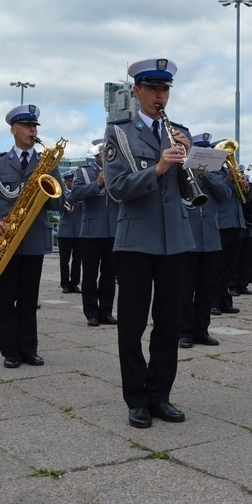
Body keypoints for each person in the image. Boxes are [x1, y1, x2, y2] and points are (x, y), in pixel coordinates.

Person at [103, 58, 194, 428]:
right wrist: (157, 168)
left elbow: (189, 190)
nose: (161, 95)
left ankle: (161, 395)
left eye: (166, 89)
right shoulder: (119, 133)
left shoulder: (179, 131)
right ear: (137, 91)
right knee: (133, 322)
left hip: (175, 239)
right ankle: (136, 398)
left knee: (170, 323)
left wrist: (193, 164)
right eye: (154, 89)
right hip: (137, 239)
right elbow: (117, 187)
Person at [0, 105, 63, 368]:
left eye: (34, 126)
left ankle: (28, 349)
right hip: (3, 240)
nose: (32, 130)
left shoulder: (46, 161)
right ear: (13, 129)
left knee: (28, 300)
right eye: (26, 126)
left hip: (34, 239)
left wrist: (46, 188)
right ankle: (9, 351)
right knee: (4, 299)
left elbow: (59, 202)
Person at [179, 133, 230, 348]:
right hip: (187, 238)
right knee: (185, 289)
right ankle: (185, 332)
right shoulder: (181, 170)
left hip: (210, 239)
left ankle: (202, 330)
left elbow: (225, 195)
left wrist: (206, 174)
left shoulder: (216, 173)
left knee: (206, 289)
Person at [72, 139, 119, 327]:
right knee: (90, 274)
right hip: (91, 231)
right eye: (104, 153)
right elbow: (75, 194)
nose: (107, 156)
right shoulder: (83, 171)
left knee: (109, 274)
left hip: (113, 230)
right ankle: (91, 312)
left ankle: (106, 311)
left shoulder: (118, 170)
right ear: (97, 155)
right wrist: (98, 183)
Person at [212, 155, 244, 316]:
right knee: (217, 267)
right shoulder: (213, 172)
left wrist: (245, 186)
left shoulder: (230, 172)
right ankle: (214, 303)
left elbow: (246, 199)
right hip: (221, 224)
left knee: (229, 268)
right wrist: (231, 180)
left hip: (236, 224)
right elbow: (220, 193)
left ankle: (225, 301)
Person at [56, 170, 82, 294]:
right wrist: (74, 195)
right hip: (65, 232)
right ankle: (65, 284)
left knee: (77, 260)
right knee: (64, 260)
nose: (72, 183)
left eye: (74, 181)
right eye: (71, 181)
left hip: (79, 232)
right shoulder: (61, 193)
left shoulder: (80, 192)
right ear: (66, 182)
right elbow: (61, 206)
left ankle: (75, 283)